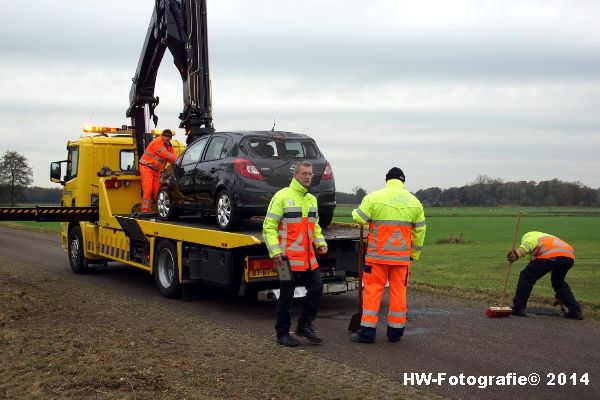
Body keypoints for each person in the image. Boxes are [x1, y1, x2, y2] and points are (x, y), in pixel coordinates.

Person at [350, 167, 426, 343]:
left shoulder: (373, 198)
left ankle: (367, 332)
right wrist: (413, 254)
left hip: (377, 258)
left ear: (387, 180)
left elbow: (358, 217)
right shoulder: (415, 202)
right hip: (401, 260)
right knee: (399, 292)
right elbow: (420, 232)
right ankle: (395, 333)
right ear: (403, 181)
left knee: (372, 292)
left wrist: (362, 212)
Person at [262, 161, 328, 347]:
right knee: (286, 295)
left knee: (317, 287)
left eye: (310, 174)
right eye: (304, 173)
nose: (307, 177)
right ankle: (282, 333)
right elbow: (268, 227)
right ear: (295, 175)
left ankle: (304, 325)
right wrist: (275, 252)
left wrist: (320, 243)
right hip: (283, 259)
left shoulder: (311, 200)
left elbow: (314, 227)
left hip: (307, 257)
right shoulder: (281, 196)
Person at [507, 231, 584, 319]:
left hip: (551, 255)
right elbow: (549, 265)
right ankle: (575, 310)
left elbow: (530, 242)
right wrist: (561, 294)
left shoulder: (529, 235)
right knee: (558, 282)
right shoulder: (549, 238)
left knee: (526, 276)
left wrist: (519, 253)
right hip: (569, 255)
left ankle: (518, 308)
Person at [139, 130, 177, 212]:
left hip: (156, 170)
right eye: (166, 136)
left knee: (158, 191)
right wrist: (178, 160)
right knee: (148, 190)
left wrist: (178, 161)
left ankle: (159, 210)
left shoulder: (169, 146)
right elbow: (167, 155)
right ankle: (145, 210)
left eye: (169, 137)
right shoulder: (157, 142)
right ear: (162, 136)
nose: (168, 138)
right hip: (146, 167)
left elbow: (172, 158)